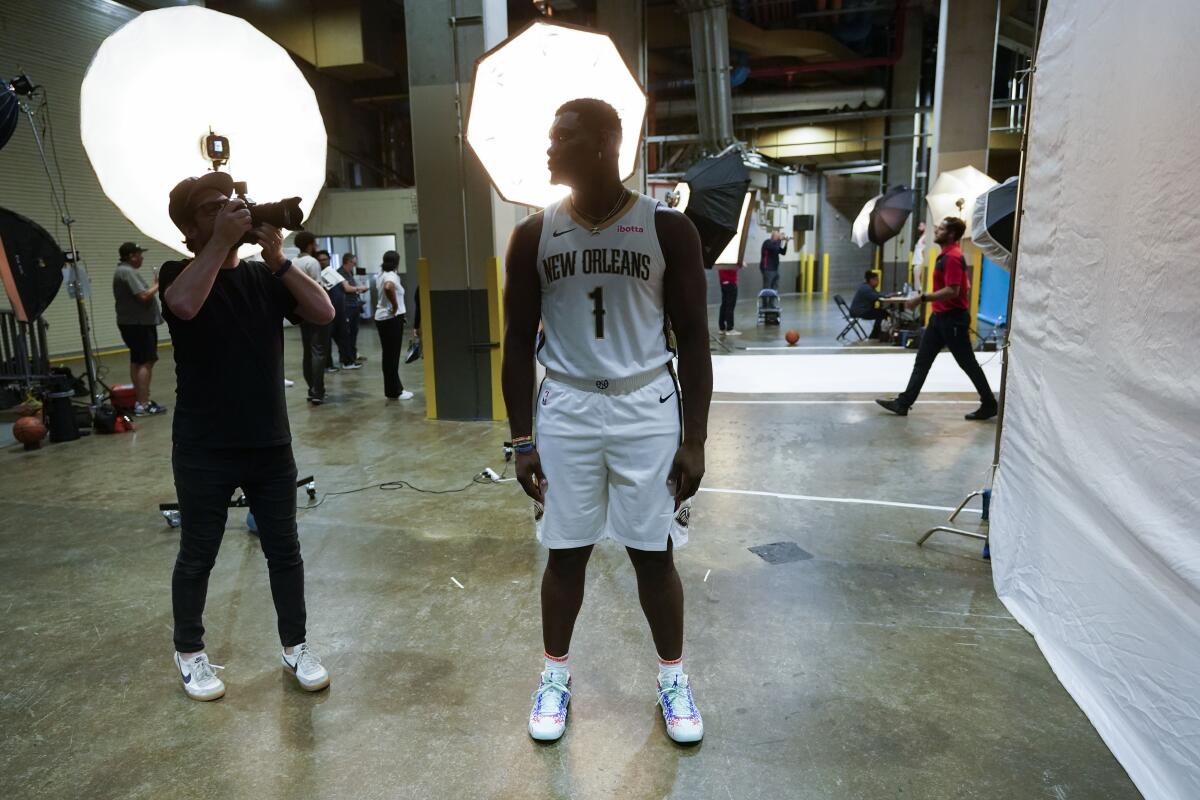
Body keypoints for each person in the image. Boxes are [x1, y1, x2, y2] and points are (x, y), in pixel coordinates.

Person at [501, 97, 712, 744]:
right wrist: (520, 439)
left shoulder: (667, 228)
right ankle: (555, 677)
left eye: (559, 136)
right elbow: (514, 342)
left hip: (644, 404)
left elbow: (696, 341)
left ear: (600, 145)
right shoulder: (534, 233)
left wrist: (695, 439)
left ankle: (672, 679)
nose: (548, 148)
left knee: (655, 553)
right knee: (566, 552)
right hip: (566, 406)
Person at [160, 171, 336, 701]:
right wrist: (217, 244)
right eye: (213, 208)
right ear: (190, 230)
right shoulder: (179, 271)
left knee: (285, 550)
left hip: (268, 442)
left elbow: (324, 313)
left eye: (232, 203)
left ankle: (295, 646)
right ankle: (190, 652)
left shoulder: (265, 277)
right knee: (198, 554)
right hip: (203, 445)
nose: (230, 211)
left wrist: (279, 259)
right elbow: (185, 306)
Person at [876, 217, 998, 420]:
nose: (936, 231)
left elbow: (953, 290)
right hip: (939, 319)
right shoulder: (946, 256)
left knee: (967, 363)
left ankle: (989, 403)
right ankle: (903, 403)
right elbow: (962, 286)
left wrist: (922, 298)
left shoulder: (952, 257)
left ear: (950, 234)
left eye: (941, 229)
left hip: (953, 321)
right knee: (922, 361)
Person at [112, 241, 167, 416]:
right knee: (146, 361)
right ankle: (143, 404)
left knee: (137, 360)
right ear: (131, 256)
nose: (142, 257)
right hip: (138, 324)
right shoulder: (127, 272)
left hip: (131, 323)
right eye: (139, 254)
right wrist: (159, 284)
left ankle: (139, 399)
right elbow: (143, 296)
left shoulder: (123, 271)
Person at [292, 232, 331, 403]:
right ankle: (318, 391)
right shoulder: (312, 262)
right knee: (318, 351)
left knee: (307, 352)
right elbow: (317, 288)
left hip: (300, 311)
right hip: (314, 310)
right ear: (309, 245)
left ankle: (311, 389)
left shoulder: (293, 262)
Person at [374, 251, 413, 401]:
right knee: (392, 356)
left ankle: (392, 389)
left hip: (383, 318)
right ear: (397, 262)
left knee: (388, 356)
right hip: (391, 318)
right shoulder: (391, 275)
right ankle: (395, 391)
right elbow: (388, 287)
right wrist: (395, 306)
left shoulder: (381, 273)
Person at [338, 253, 369, 367]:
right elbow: (347, 288)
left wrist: (358, 292)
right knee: (347, 333)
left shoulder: (349, 272)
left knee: (354, 333)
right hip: (347, 307)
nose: (354, 265)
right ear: (348, 261)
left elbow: (352, 289)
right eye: (353, 263)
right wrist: (359, 288)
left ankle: (353, 354)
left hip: (353, 305)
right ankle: (347, 358)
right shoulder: (341, 273)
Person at [849, 269, 887, 339]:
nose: (878, 282)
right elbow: (876, 296)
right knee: (883, 313)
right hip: (860, 311)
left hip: (859, 310)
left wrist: (886, 295)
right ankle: (874, 335)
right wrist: (888, 295)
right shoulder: (866, 288)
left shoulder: (867, 287)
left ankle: (875, 334)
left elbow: (877, 294)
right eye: (877, 280)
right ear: (871, 280)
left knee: (881, 312)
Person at [717, 262, 741, 336]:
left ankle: (722, 328)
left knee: (724, 305)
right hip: (730, 282)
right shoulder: (730, 258)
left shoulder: (721, 257)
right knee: (730, 306)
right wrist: (739, 264)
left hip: (723, 282)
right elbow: (733, 268)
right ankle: (730, 328)